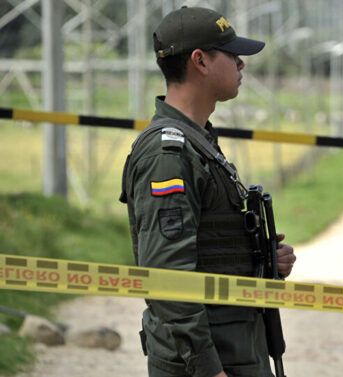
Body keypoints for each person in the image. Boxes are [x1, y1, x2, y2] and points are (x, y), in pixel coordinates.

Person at [119, 6, 296, 377]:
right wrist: (207, 368)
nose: (241, 65)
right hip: (206, 362)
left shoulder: (199, 143)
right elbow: (168, 276)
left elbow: (205, 249)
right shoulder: (168, 154)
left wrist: (260, 261)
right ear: (200, 61)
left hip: (235, 349)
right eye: (232, 55)